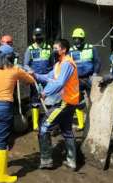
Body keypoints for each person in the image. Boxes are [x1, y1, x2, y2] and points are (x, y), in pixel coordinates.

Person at [0, 44, 35, 183]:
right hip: (3, 109)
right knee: (2, 141)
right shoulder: (15, 70)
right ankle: (1, 175)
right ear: (11, 57)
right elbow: (30, 80)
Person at [33, 39, 79, 170]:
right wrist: (34, 75)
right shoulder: (59, 64)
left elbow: (59, 83)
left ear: (63, 49)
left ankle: (47, 160)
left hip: (65, 102)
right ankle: (71, 161)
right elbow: (49, 77)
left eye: (55, 48)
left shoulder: (67, 64)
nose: (53, 51)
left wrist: (44, 93)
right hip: (68, 101)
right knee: (67, 130)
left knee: (43, 127)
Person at [69, 27, 101, 130]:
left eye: (79, 39)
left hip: (89, 78)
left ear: (83, 39)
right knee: (78, 102)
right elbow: (68, 65)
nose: (77, 41)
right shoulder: (71, 51)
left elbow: (97, 62)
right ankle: (81, 124)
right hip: (77, 80)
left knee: (94, 100)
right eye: (75, 39)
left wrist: (95, 73)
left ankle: (95, 122)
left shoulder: (91, 48)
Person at [24, 27, 52, 131]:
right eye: (37, 36)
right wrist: (30, 70)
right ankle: (35, 124)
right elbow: (25, 64)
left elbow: (52, 64)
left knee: (49, 100)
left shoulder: (48, 48)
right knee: (35, 100)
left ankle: (48, 121)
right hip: (35, 78)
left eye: (40, 35)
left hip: (46, 78)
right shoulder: (30, 49)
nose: (39, 37)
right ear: (33, 37)